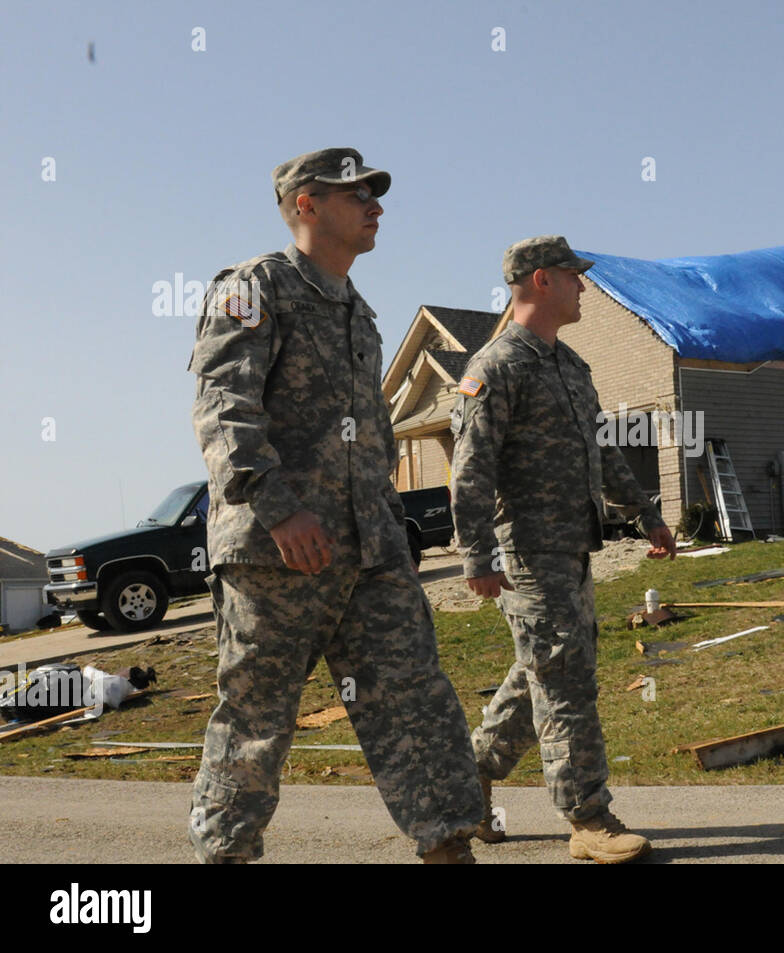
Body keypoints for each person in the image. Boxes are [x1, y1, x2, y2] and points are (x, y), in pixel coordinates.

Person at [187, 147, 482, 864]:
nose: (375, 203)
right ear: (307, 205)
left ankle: (449, 846)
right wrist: (280, 509)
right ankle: (225, 853)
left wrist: (390, 529)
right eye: (356, 193)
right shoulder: (255, 287)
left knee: (415, 699)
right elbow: (223, 408)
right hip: (274, 551)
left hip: (369, 552)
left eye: (375, 192)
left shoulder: (360, 311)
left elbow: (372, 437)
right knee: (257, 719)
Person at [449, 235, 677, 864]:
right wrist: (476, 555)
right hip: (525, 554)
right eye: (575, 276)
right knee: (567, 679)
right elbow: (470, 470)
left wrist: (647, 514)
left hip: (573, 549)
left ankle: (470, 773)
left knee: (543, 669)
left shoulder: (572, 367)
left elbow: (601, 453)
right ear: (541, 280)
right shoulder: (493, 368)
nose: (584, 287)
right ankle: (587, 818)